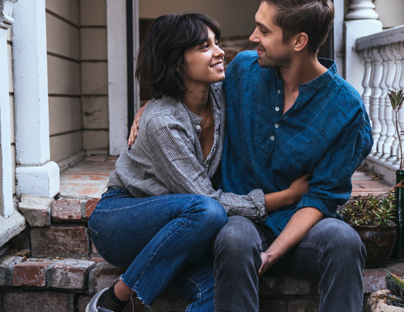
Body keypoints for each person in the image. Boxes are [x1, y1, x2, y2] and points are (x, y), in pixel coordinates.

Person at [86, 13, 309, 312]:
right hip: (122, 221)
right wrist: (287, 197)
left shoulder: (221, 93)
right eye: (205, 46)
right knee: (208, 210)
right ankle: (119, 296)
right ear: (177, 62)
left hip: (178, 235)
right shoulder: (163, 122)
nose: (219, 52)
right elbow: (205, 200)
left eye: (216, 42)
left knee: (220, 289)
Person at [212, 0, 373, 311]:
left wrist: (274, 252)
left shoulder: (345, 107)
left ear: (299, 41)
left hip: (305, 232)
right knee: (234, 238)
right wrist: (149, 109)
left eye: (264, 30)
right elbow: (190, 98)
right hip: (245, 221)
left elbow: (323, 195)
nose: (252, 37)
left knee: (344, 241)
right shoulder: (242, 70)